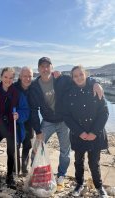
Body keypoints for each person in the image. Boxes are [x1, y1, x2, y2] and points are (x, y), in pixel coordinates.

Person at [28, 57, 104, 192]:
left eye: (48, 66)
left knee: (65, 151)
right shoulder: (34, 86)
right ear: (38, 69)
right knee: (37, 147)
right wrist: (38, 130)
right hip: (47, 121)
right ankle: (36, 174)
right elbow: (34, 110)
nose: (45, 69)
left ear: (52, 67)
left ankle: (61, 175)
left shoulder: (61, 79)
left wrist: (95, 82)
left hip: (64, 121)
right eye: (42, 67)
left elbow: (80, 80)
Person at [63, 65, 109, 198]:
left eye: (81, 74)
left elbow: (104, 112)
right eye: (75, 76)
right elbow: (67, 116)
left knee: (94, 162)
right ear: (72, 78)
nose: (78, 78)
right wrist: (79, 132)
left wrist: (94, 132)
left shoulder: (95, 88)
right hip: (79, 135)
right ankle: (79, 184)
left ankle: (99, 187)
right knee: (78, 161)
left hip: (96, 134)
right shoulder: (69, 93)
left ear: (86, 75)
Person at [0, 67, 29, 190]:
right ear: (1, 77)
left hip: (12, 127)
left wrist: (19, 114)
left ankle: (9, 176)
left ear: (13, 79)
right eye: (5, 77)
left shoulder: (17, 94)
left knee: (11, 153)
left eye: (11, 78)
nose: (8, 80)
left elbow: (26, 110)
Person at [14, 67, 34, 176]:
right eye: (25, 76)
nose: (27, 78)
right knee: (15, 145)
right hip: (16, 121)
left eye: (30, 76)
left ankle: (24, 168)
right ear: (20, 77)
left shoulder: (34, 87)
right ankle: (15, 169)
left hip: (29, 121)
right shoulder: (14, 88)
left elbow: (45, 80)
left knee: (27, 145)